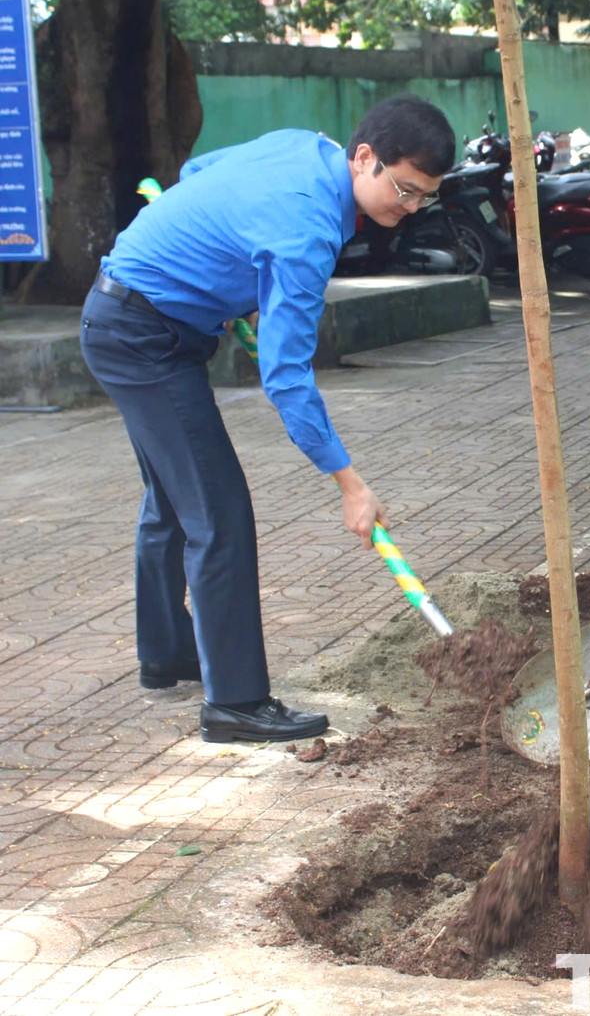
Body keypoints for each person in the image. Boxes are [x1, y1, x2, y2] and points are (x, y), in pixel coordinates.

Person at [80, 94, 456, 744]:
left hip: (127, 317)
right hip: (145, 339)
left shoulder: (301, 147)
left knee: (175, 498)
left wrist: (229, 273)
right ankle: (236, 704)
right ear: (364, 157)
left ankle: (167, 654)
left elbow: (200, 175)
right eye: (403, 189)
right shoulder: (307, 231)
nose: (410, 207)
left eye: (424, 196)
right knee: (219, 514)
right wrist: (350, 483)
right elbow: (286, 377)